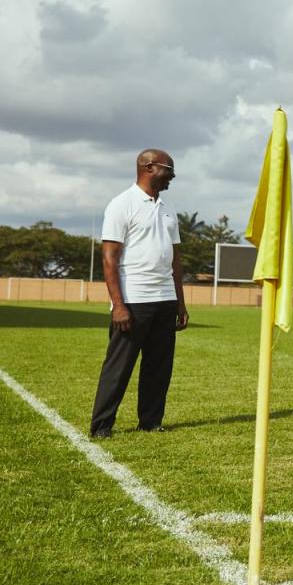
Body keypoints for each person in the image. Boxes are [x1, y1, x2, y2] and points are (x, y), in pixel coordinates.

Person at [90, 149, 189, 438]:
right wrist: (117, 305)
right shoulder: (122, 204)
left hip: (165, 299)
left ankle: (150, 421)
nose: (172, 176)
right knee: (118, 368)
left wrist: (180, 303)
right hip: (133, 300)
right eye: (168, 170)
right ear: (148, 167)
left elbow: (176, 259)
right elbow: (109, 258)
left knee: (159, 367)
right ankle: (101, 426)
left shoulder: (168, 209)